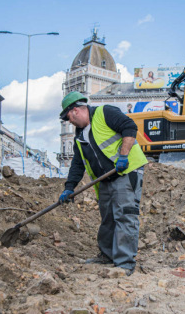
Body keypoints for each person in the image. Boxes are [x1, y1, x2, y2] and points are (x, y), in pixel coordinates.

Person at [58, 92, 148, 276]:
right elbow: (77, 163)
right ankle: (107, 255)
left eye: (69, 118)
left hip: (126, 170)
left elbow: (129, 127)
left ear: (75, 111)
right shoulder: (80, 136)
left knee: (125, 215)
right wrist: (69, 187)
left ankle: (124, 264)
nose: (70, 123)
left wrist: (123, 156)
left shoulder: (104, 113)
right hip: (105, 179)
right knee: (108, 217)